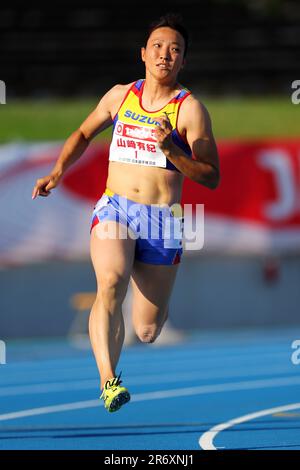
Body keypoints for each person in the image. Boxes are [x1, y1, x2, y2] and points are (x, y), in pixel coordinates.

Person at [32, 13, 220, 413]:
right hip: (117, 208)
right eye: (157, 47)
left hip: (163, 220)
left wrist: (172, 151)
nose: (165, 55)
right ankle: (108, 380)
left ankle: (151, 299)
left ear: (183, 61)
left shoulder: (190, 110)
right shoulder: (120, 96)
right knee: (111, 283)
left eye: (175, 50)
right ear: (143, 54)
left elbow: (210, 176)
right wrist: (57, 171)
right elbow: (84, 133)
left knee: (147, 329)